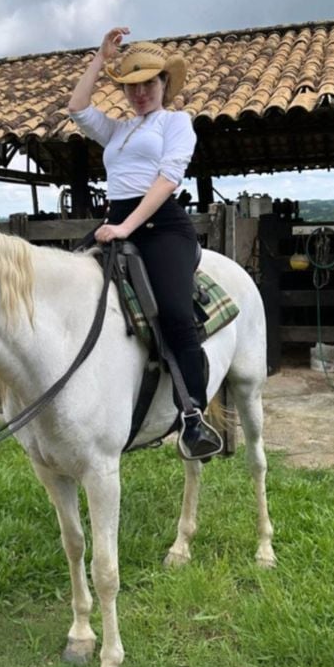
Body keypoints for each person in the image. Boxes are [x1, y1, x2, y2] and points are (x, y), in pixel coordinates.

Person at [68, 26, 222, 461]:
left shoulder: (177, 123)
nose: (139, 94)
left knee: (174, 312)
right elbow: (76, 106)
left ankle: (193, 416)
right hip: (117, 223)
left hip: (161, 227)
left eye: (148, 84)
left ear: (164, 85)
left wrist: (125, 228)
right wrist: (101, 58)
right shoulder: (118, 131)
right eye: (132, 86)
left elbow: (167, 179)